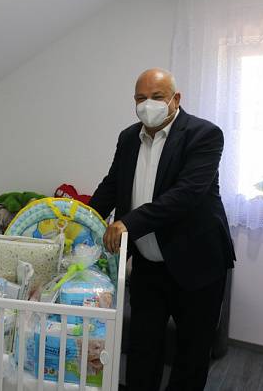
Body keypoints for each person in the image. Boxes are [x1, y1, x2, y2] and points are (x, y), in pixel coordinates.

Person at [88, 68, 235, 391]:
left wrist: (128, 223)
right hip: (147, 265)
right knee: (142, 350)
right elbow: (112, 185)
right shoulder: (129, 137)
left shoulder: (204, 135)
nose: (147, 105)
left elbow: (186, 195)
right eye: (140, 98)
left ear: (175, 99)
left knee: (191, 353)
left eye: (156, 97)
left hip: (198, 263)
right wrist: (81, 218)